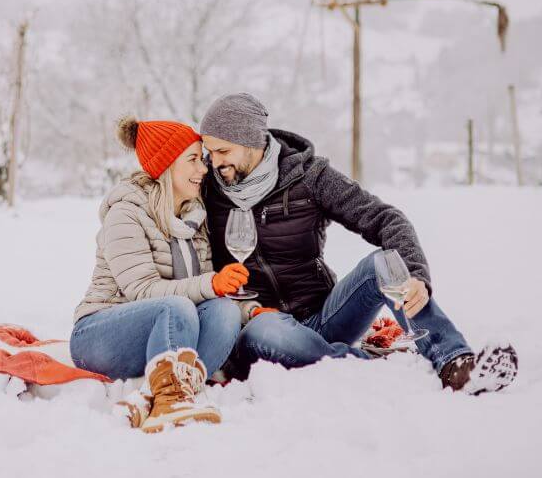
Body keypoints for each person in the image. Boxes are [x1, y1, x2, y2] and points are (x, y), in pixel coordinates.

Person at [199, 93, 518, 395]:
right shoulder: (207, 190)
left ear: (251, 141)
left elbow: (386, 219)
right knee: (268, 327)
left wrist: (417, 276)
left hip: (323, 315)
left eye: (223, 152)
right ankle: (366, 366)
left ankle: (455, 363)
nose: (214, 162)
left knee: (383, 264)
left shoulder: (308, 177)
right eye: (209, 152)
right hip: (259, 326)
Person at [70, 117, 249, 432]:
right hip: (100, 333)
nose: (203, 169)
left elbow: (206, 294)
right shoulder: (126, 213)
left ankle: (157, 392)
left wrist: (245, 305)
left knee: (223, 310)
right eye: (192, 160)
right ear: (167, 166)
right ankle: (171, 397)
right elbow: (143, 291)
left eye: (202, 159)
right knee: (175, 305)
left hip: (167, 332)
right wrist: (211, 283)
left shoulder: (194, 217)